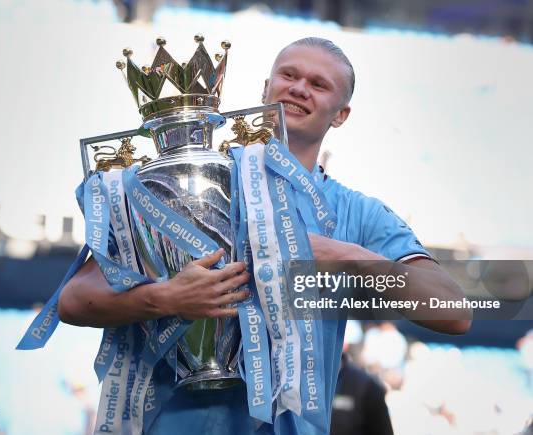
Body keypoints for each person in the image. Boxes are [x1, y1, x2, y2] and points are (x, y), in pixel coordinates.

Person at [58, 37, 472, 434]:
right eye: (288, 76)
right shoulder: (189, 181)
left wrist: (345, 255)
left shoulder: (357, 214)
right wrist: (165, 297)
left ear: (341, 114)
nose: (299, 88)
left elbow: (454, 311)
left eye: (319, 84)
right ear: (265, 88)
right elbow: (73, 300)